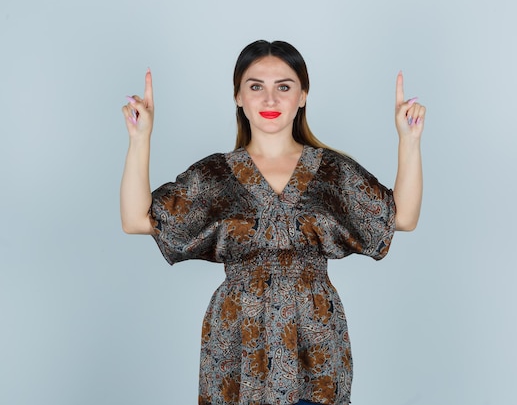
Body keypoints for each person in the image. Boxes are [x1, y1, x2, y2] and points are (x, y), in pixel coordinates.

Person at [120, 40, 425, 405]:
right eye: (255, 87)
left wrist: (409, 140)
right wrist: (140, 139)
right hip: (236, 340)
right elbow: (136, 219)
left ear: (302, 95)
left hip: (315, 342)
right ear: (238, 96)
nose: (270, 100)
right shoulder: (215, 175)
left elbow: (401, 217)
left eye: (284, 86)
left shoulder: (331, 171)